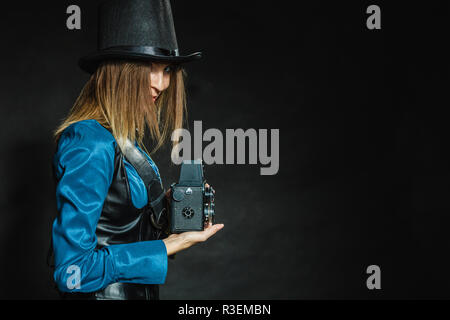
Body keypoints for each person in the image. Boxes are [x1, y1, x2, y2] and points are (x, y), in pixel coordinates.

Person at [49, 0, 223, 300]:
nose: (162, 83)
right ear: (119, 71)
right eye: (148, 68)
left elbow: (120, 233)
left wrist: (170, 218)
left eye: (167, 69)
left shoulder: (122, 138)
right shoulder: (89, 142)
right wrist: (166, 247)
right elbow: (71, 272)